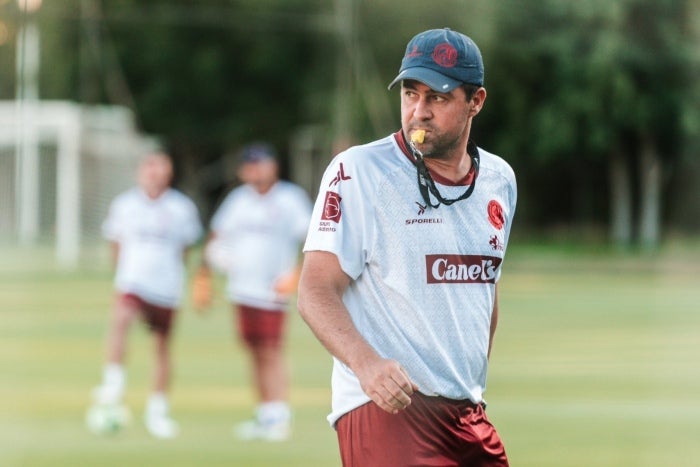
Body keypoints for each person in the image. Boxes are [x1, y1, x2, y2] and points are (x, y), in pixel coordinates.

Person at [297, 28, 517, 466]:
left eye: (437, 97)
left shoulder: (499, 180)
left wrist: (468, 385)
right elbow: (314, 290)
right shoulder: (360, 171)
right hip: (388, 411)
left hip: (468, 414)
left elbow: (484, 292)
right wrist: (367, 364)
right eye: (411, 94)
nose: (419, 111)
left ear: (475, 102)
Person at [197, 142, 312, 441]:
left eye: (260, 164)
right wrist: (210, 265)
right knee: (253, 351)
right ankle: (265, 412)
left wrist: (296, 274)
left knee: (271, 351)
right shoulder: (238, 200)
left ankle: (280, 415)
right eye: (249, 165)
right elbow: (218, 236)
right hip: (242, 288)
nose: (254, 171)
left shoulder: (289, 199)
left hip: (272, 289)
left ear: (273, 166)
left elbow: (310, 239)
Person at [90, 152, 203, 439]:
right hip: (133, 282)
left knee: (161, 347)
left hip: (165, 287)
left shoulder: (181, 207)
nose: (153, 173)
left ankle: (157, 411)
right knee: (121, 319)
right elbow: (115, 243)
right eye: (149, 167)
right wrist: (123, 273)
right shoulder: (125, 205)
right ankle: (113, 383)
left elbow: (186, 248)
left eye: (159, 168)